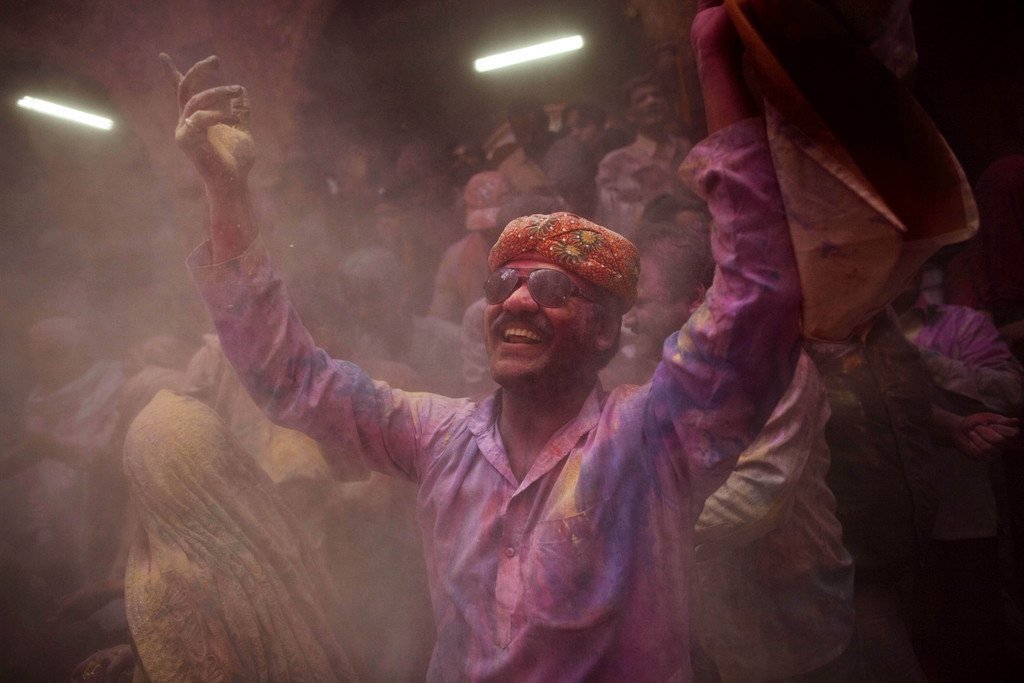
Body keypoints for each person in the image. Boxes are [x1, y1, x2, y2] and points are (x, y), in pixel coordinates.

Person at [155, 3, 801, 679]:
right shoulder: (442, 439)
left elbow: (760, 299)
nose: (516, 300)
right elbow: (294, 379)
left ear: (606, 329)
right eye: (502, 284)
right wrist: (225, 191)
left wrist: (714, 57)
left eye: (551, 288)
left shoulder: (648, 440)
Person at [625, 222, 857, 682]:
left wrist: (630, 532)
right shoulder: (660, 373)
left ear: (694, 300)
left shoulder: (778, 368)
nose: (628, 319)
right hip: (714, 624)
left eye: (641, 303)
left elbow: (756, 499)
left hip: (791, 617)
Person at [596, 73, 697, 238]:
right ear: (629, 115)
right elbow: (612, 213)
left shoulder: (685, 148)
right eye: (641, 99)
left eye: (656, 95)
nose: (651, 101)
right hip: (649, 246)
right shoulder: (615, 163)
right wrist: (668, 216)